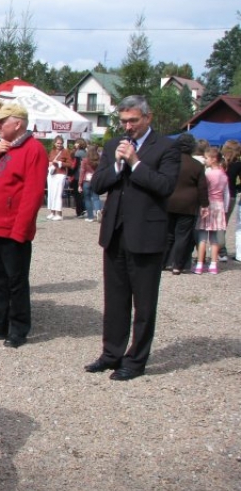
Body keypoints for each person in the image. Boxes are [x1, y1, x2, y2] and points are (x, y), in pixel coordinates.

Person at [84, 95, 179, 381]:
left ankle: (136, 360)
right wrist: (115, 166)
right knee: (115, 299)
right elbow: (97, 184)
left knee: (144, 303)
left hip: (146, 234)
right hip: (115, 232)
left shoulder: (167, 147)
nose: (128, 127)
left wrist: (135, 163)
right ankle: (111, 353)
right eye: (124, 121)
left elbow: (164, 187)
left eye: (133, 121)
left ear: (148, 118)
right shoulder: (114, 145)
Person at [0, 102, 47, 349]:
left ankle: (18, 328)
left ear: (18, 124)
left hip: (11, 229)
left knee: (16, 281)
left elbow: (33, 194)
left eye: (3, 122)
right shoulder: (3, 146)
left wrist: (20, 230)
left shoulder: (34, 149)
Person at [164, 133, 208, 275]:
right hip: (188, 204)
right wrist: (205, 205)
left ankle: (164, 262)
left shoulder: (170, 162)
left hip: (169, 201)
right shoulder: (197, 165)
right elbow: (202, 187)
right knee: (182, 236)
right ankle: (178, 266)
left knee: (168, 234)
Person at [193, 147, 229, 275]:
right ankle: (213, 264)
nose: (205, 160)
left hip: (207, 205)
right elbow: (226, 194)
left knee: (202, 237)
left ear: (213, 159)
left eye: (207, 158)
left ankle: (199, 264)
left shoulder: (208, 173)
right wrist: (225, 208)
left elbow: (202, 189)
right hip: (219, 205)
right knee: (214, 238)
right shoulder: (223, 174)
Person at [219, 140, 240, 261]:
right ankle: (222, 251)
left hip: (215, 195)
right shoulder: (238, 164)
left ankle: (215, 248)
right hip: (230, 195)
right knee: (223, 224)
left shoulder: (219, 162)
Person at [46, 135, 71, 221]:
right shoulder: (52, 151)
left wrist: (60, 163)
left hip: (60, 174)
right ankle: (52, 212)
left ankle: (59, 213)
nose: (59, 145)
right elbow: (49, 160)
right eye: (57, 143)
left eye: (60, 143)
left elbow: (69, 164)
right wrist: (49, 163)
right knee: (51, 193)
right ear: (54, 143)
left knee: (58, 193)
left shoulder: (65, 152)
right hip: (52, 173)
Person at [78, 144, 103, 222]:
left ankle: (90, 217)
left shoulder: (85, 160)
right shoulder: (99, 160)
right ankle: (98, 210)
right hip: (96, 180)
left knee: (87, 199)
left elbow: (82, 172)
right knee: (96, 198)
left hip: (86, 181)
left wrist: (79, 184)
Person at [69, 139, 87, 217]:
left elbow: (75, 165)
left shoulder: (77, 153)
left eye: (76, 143)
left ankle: (79, 211)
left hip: (77, 175)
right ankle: (84, 209)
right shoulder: (85, 153)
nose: (75, 144)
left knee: (77, 194)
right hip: (84, 175)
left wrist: (70, 173)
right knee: (82, 194)